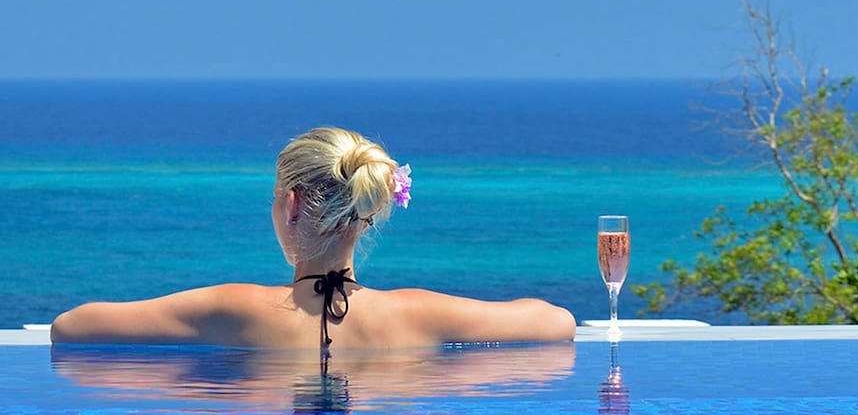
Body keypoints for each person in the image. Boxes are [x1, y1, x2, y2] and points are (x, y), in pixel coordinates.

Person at [50, 126, 576, 348]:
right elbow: (557, 322)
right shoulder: (420, 314)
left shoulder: (227, 309)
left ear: (292, 204)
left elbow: (70, 328)